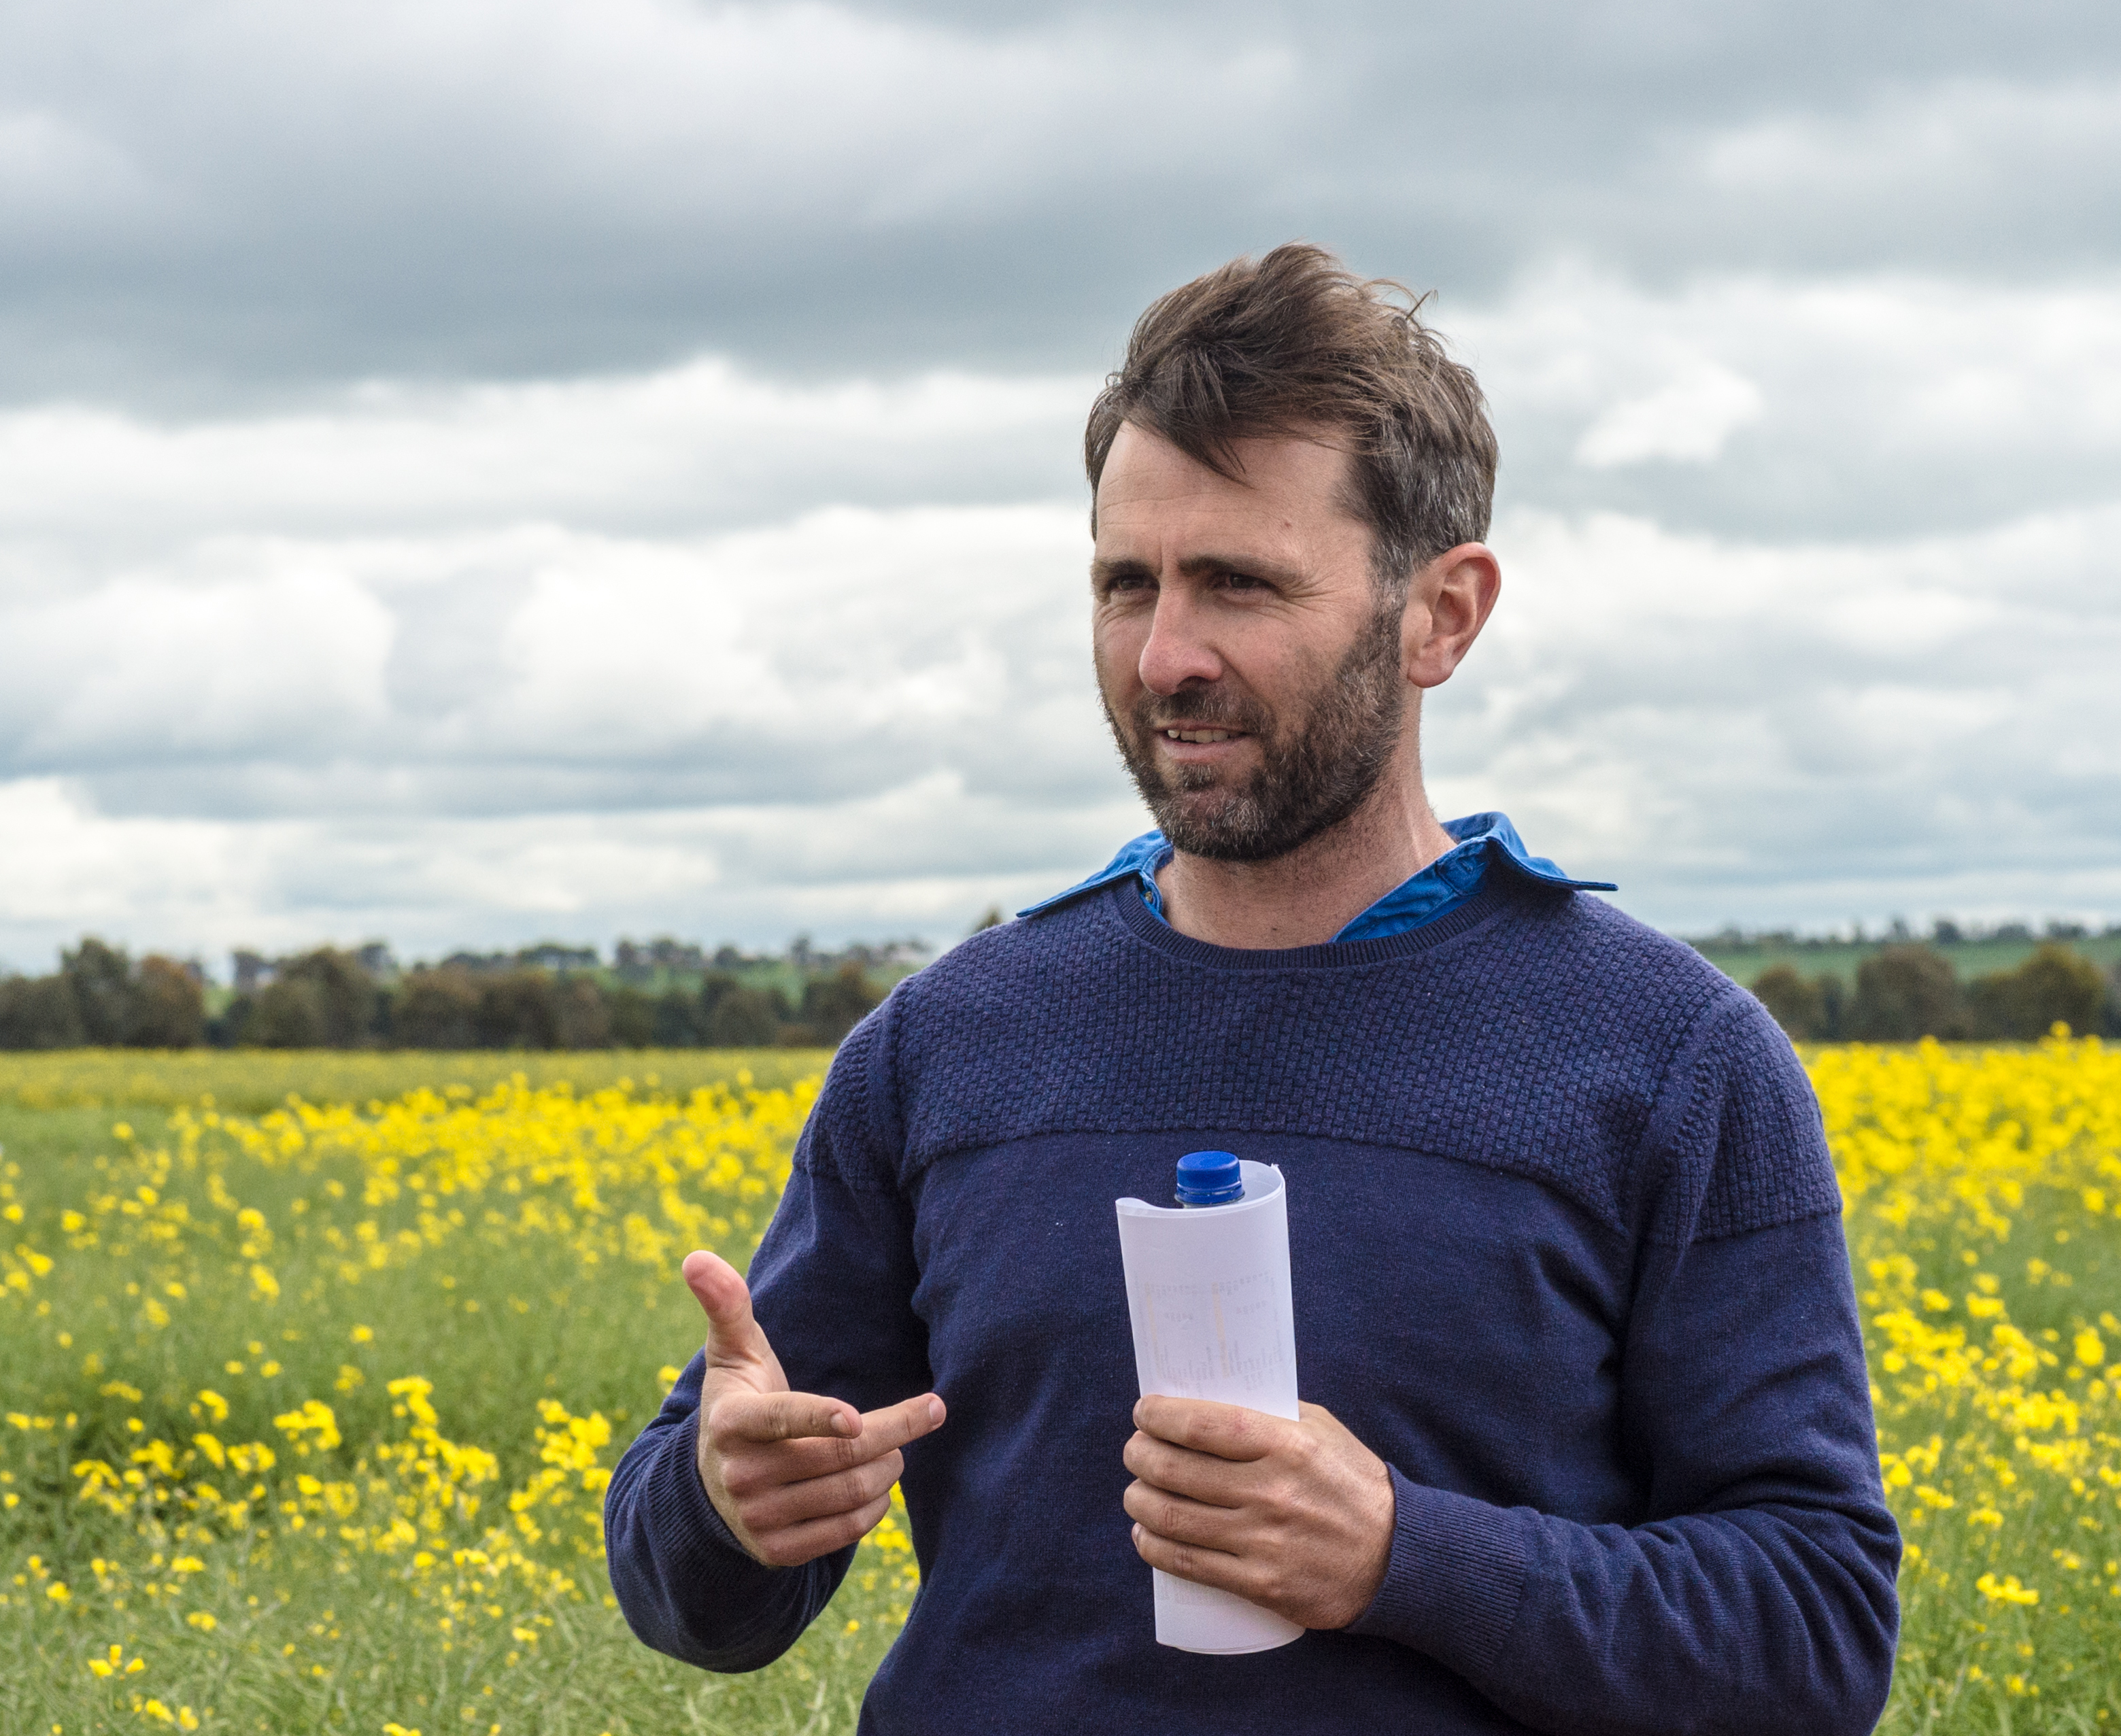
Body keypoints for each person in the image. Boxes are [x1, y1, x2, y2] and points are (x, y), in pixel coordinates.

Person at [603, 245, 1899, 1733]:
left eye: (1237, 583)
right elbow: (699, 1591)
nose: (1164, 654)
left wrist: (1403, 1553)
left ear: (1443, 615)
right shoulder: (946, 1047)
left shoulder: (1667, 1061)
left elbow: (1813, 1633)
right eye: (1125, 583)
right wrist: (719, 1496)